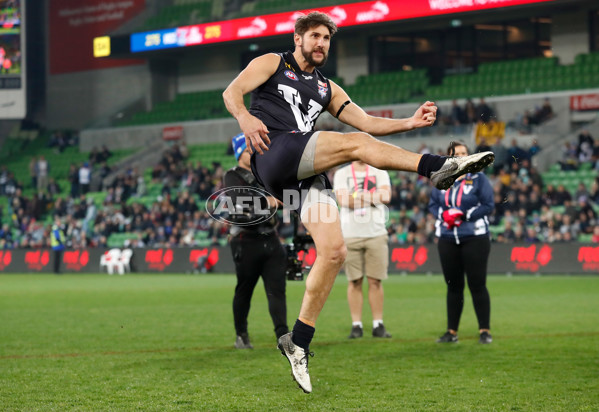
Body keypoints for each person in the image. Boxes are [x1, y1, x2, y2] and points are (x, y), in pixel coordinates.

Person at [222, 11, 494, 393]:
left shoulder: (327, 87)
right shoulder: (272, 63)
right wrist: (245, 118)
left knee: (334, 252)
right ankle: (437, 168)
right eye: (314, 36)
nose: (321, 44)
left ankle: (297, 341)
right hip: (274, 151)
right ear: (298, 38)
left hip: (299, 174)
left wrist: (410, 123)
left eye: (326, 39)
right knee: (354, 146)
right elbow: (230, 92)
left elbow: (366, 122)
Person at [225, 133, 289, 349]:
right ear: (238, 154)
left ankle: (283, 336)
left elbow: (284, 199)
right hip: (246, 241)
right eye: (247, 149)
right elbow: (239, 209)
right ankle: (241, 334)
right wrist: (269, 202)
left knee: (277, 290)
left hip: (271, 239)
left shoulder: (266, 172)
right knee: (245, 290)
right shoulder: (233, 176)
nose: (252, 151)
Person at [427, 142, 494, 345]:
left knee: (477, 285)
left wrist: (464, 215)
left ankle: (484, 330)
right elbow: (433, 204)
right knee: (453, 287)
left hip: (475, 237)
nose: (462, 156)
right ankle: (451, 331)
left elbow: (488, 204)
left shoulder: (479, 179)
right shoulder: (441, 178)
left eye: (465, 153)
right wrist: (445, 215)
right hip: (447, 238)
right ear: (449, 157)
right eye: (457, 154)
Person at [333, 161, 392, 339]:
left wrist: (356, 197)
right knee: (354, 281)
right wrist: (372, 196)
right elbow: (343, 201)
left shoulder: (380, 170)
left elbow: (386, 197)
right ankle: (356, 325)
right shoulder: (341, 173)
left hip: (376, 232)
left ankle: (378, 324)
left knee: (376, 281)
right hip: (350, 234)